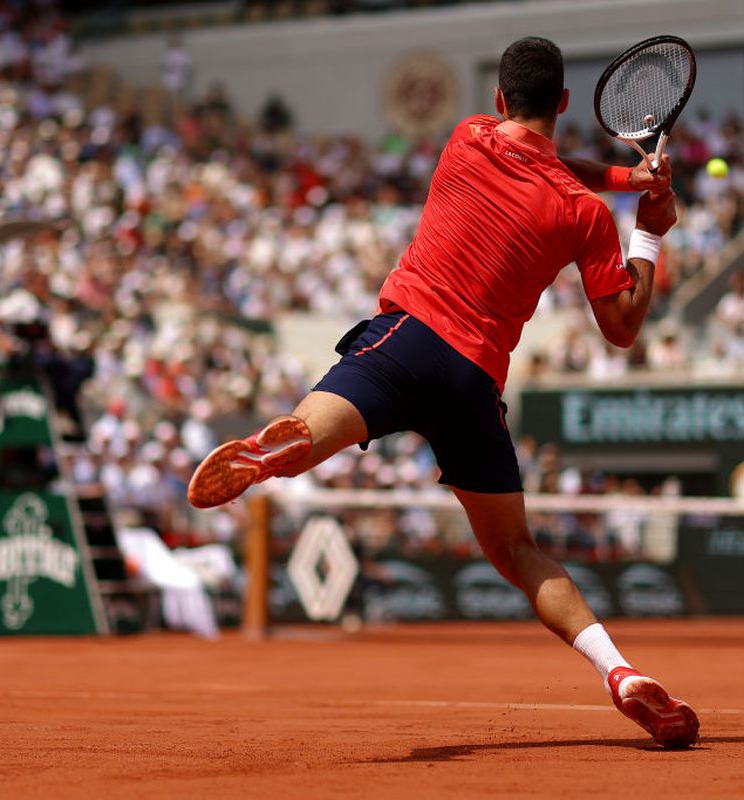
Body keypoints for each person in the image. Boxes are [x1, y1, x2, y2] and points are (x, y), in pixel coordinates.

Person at [187, 37, 698, 749]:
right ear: (563, 104)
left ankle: (283, 447)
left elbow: (544, 157)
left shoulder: (469, 136)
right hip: (473, 379)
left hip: (409, 340)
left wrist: (627, 178)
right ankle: (618, 672)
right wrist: (645, 227)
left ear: (498, 100)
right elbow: (620, 328)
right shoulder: (581, 214)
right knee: (519, 552)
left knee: (314, 430)